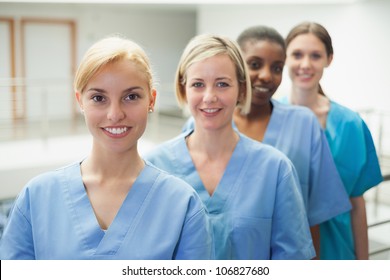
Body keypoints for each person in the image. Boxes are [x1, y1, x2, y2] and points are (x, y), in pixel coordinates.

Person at [0, 36, 213, 260]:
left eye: (131, 96)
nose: (114, 114)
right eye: (99, 98)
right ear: (80, 101)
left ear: (151, 100)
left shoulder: (182, 205)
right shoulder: (37, 198)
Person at [182, 26, 352, 259]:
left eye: (277, 68)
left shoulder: (300, 128)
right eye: (254, 64)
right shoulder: (201, 127)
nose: (265, 75)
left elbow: (312, 218)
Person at [144, 34, 315, 260]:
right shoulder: (154, 167)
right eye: (197, 84)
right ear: (183, 89)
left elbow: (294, 261)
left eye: (222, 84)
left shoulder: (275, 170)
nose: (209, 97)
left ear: (242, 90)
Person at [283, 21, 383, 259]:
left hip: (337, 249)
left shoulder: (350, 124)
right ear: (285, 58)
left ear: (329, 59)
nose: (305, 64)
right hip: (284, 249)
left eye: (315, 56)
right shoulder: (270, 119)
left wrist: (362, 264)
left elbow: (357, 204)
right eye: (297, 54)